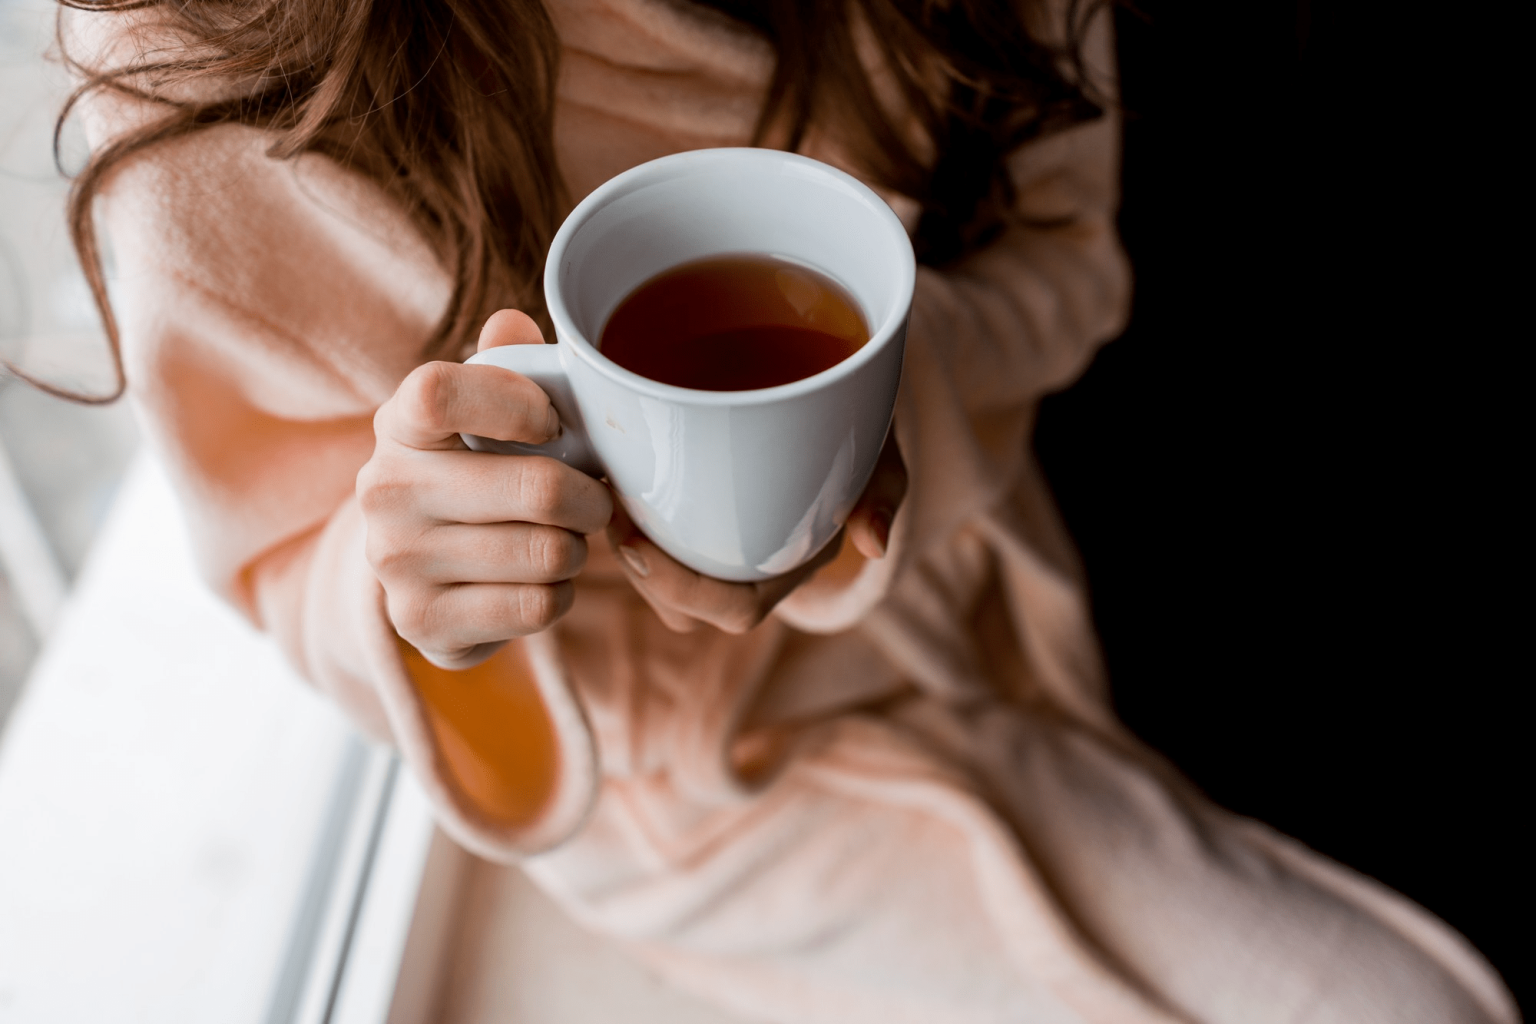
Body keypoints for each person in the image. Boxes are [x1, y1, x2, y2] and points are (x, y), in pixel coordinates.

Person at [40, 0, 1517, 1020]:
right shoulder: (206, 52)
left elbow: (1072, 269)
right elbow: (286, 535)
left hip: (985, 551)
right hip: (674, 768)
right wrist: (429, 584)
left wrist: (873, 414)